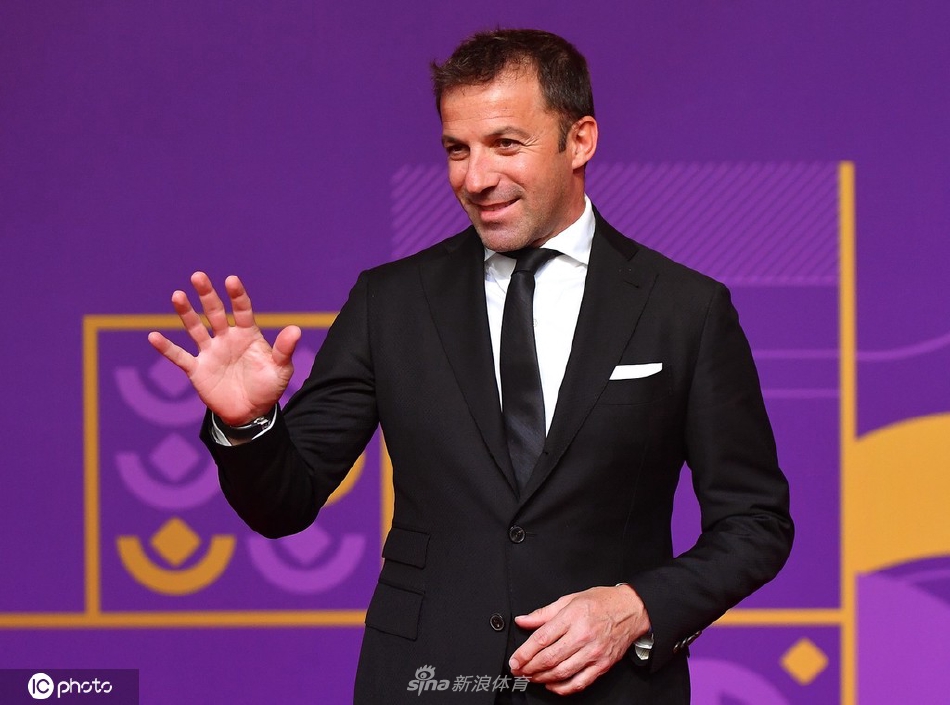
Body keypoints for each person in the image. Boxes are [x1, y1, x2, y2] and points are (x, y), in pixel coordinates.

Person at [149, 28, 792, 704]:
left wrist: (636, 607)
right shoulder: (390, 303)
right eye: (457, 149)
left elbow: (755, 523)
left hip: (612, 691)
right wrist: (249, 424)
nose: (475, 179)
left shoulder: (684, 309)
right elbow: (284, 502)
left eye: (505, 144)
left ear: (580, 141)